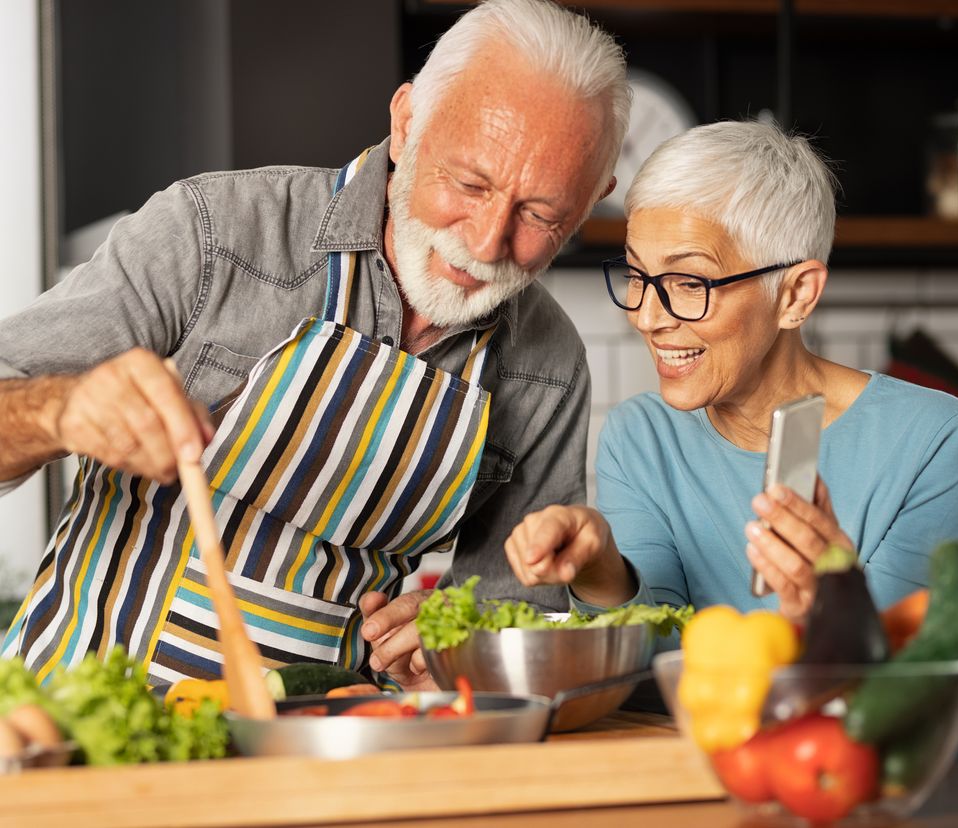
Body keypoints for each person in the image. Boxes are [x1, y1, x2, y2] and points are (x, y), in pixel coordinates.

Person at [0, 0, 631, 690]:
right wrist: (56, 410)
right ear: (406, 121)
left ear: (594, 197)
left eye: (540, 214)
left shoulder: (546, 365)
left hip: (324, 748)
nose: (485, 244)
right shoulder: (216, 235)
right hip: (76, 723)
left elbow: (517, 624)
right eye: (469, 183)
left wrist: (454, 642)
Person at [504, 119, 958, 627]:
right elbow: (650, 657)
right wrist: (601, 568)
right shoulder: (641, 436)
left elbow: (913, 681)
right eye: (636, 274)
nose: (646, 317)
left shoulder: (933, 438)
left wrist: (834, 609)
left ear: (795, 295)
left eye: (689, 281)